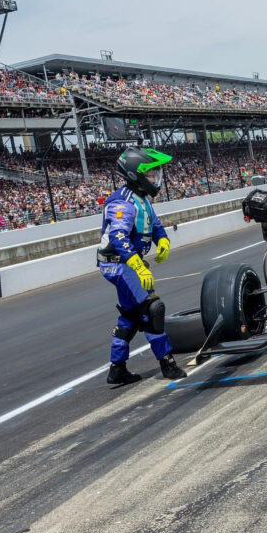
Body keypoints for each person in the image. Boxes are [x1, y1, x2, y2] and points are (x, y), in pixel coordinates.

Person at [98, 146, 186, 384]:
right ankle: (167, 363)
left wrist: (163, 241)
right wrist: (137, 265)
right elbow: (118, 238)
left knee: (130, 315)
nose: (155, 179)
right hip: (118, 264)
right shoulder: (121, 202)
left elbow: (154, 224)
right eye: (151, 174)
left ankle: (117, 369)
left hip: (129, 263)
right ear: (135, 174)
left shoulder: (142, 199)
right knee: (152, 309)